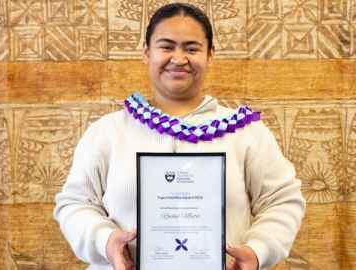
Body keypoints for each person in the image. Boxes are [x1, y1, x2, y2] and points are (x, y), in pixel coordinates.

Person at [54, 3, 305, 270]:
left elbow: (282, 201)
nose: (179, 58)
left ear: (210, 55)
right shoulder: (108, 132)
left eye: (192, 48)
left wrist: (258, 251)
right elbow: (74, 203)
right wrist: (105, 241)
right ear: (146, 53)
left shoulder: (245, 132)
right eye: (166, 46)